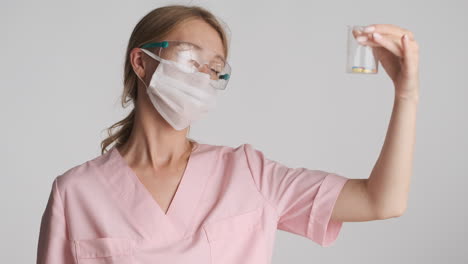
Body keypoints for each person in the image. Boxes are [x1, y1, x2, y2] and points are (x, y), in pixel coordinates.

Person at [37, 4, 419, 264]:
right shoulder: (75, 193)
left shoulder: (249, 174)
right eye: (190, 59)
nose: (203, 76)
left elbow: (380, 201)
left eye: (215, 68)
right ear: (141, 62)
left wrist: (406, 94)